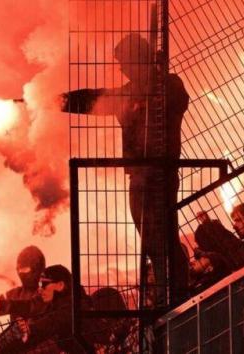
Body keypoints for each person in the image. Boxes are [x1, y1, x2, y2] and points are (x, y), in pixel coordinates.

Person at [60, 33, 190, 303]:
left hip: (161, 172)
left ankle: (177, 291)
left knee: (164, 235)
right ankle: (166, 290)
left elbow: (177, 102)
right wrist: (58, 101)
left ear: (139, 59)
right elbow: (92, 99)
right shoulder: (127, 93)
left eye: (124, 62)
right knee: (150, 238)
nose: (121, 68)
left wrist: (151, 93)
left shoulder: (169, 84)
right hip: (138, 176)